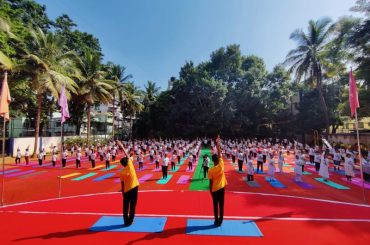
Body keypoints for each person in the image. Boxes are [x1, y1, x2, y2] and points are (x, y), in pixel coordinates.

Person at [118, 141, 139, 227]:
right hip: (134, 188)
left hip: (126, 190)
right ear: (127, 162)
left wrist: (123, 192)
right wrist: (121, 146)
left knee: (125, 206)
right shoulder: (130, 166)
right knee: (132, 205)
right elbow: (127, 154)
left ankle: (126, 221)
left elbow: (122, 184)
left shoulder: (122, 172)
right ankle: (130, 221)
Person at [208, 136, 227, 226]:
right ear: (218, 160)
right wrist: (218, 143)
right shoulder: (221, 165)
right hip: (221, 189)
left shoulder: (210, 170)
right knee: (221, 205)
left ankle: (216, 220)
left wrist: (210, 191)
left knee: (215, 205)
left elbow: (210, 182)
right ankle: (221, 220)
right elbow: (220, 154)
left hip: (214, 190)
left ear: (212, 161)